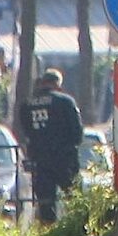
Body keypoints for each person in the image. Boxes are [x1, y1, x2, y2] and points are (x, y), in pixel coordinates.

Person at [23, 67, 86, 224]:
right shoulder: (65, 101)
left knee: (45, 201)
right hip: (65, 158)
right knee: (74, 198)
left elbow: (26, 131)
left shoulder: (27, 105)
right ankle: (78, 230)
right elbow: (77, 132)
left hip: (40, 159)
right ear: (58, 84)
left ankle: (47, 235)